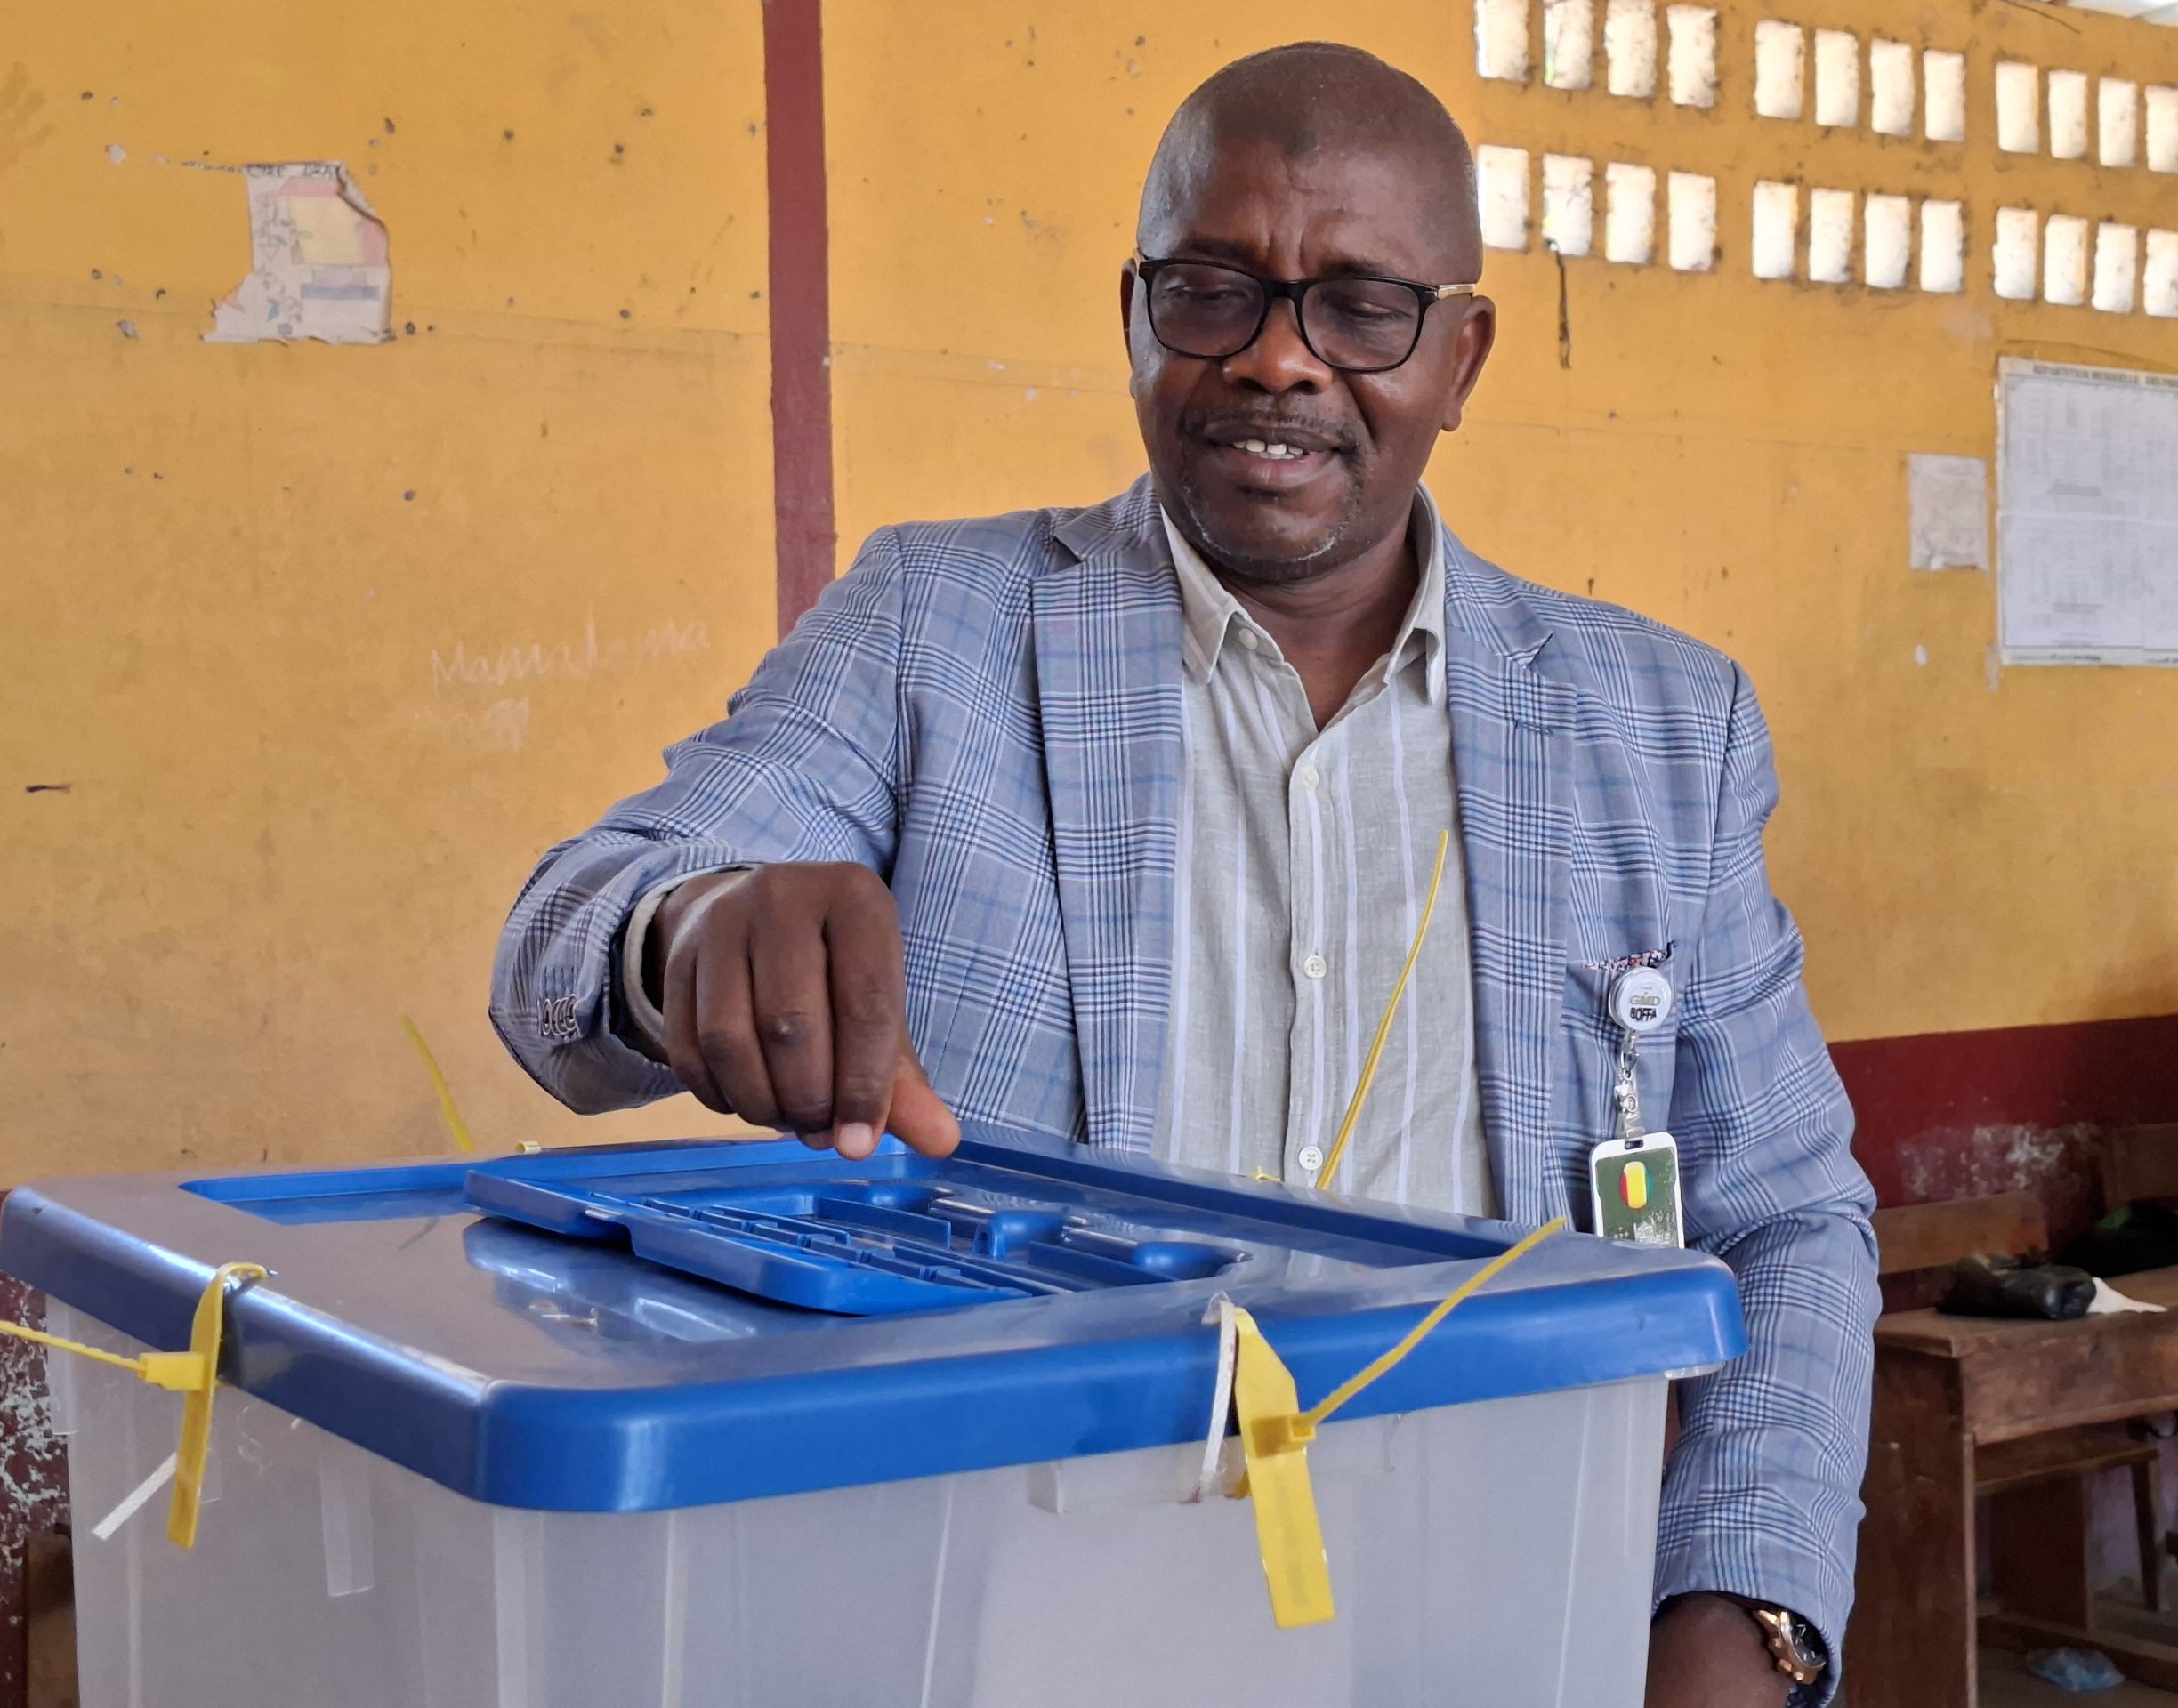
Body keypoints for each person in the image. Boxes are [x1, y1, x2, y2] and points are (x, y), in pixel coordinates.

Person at [494, 42, 1878, 1706]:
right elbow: (569, 939)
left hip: (1505, 1604)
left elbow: (1783, 1210)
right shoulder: (938, 628)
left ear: (1463, 351)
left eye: (1361, 306)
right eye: (1216, 291)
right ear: (1138, 313)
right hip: (1020, 1615)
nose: (1279, 361)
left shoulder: (1663, 726)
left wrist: (1749, 1606)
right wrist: (684, 930)